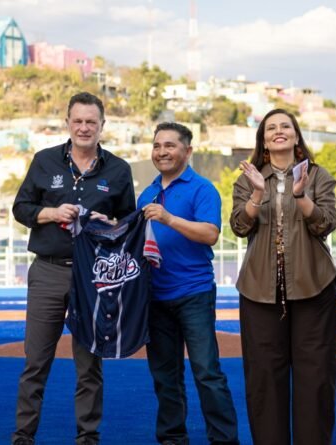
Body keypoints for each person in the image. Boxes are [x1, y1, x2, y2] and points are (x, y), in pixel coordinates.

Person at [11, 92, 135, 445]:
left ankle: (87, 438)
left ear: (102, 125)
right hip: (48, 271)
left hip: (93, 278)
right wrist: (51, 213)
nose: (84, 127)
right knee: (36, 362)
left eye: (90, 122)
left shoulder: (119, 169)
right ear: (67, 123)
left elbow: (128, 223)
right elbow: (20, 209)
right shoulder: (44, 161)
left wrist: (108, 223)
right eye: (78, 121)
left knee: (89, 365)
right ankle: (23, 437)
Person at [230, 109, 336, 445]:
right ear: (263, 140)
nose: (278, 131)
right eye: (271, 128)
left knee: (316, 378)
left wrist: (300, 195)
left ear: (296, 136)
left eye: (285, 126)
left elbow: (325, 224)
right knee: (263, 379)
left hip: (314, 287)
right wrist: (257, 194)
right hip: (258, 291)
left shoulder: (318, 176)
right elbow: (239, 226)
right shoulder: (247, 178)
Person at [138, 122, 239, 445]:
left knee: (207, 373)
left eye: (170, 145)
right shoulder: (147, 193)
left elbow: (210, 233)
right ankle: (172, 439)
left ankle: (224, 441)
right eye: (157, 146)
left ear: (188, 151)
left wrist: (169, 218)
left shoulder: (203, 189)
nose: (162, 152)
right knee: (164, 376)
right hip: (155, 297)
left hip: (194, 293)